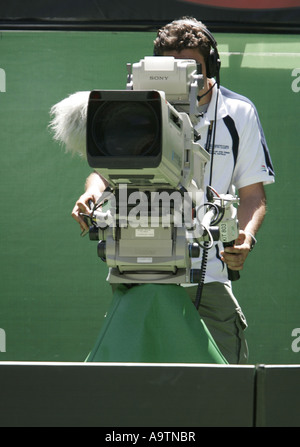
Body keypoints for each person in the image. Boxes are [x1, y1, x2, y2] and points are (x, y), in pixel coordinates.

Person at [71, 17, 275, 364]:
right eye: (172, 66)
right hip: (142, 270)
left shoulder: (238, 112)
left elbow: (253, 194)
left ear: (211, 65)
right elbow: (107, 170)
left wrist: (245, 237)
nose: (185, 78)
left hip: (208, 278)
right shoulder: (138, 107)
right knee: (133, 392)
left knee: (223, 395)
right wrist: (90, 193)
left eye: (192, 67)